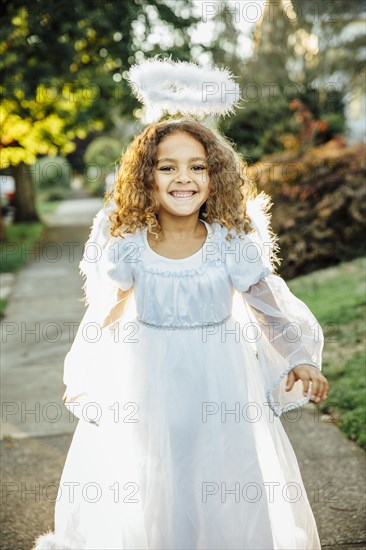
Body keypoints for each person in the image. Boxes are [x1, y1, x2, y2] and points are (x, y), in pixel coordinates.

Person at [33, 61, 329, 550]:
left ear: (216, 177)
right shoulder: (130, 245)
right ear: (145, 178)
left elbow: (267, 308)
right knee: (153, 475)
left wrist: (297, 357)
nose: (183, 178)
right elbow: (103, 315)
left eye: (197, 167)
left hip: (222, 380)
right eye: (167, 167)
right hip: (146, 380)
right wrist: (82, 371)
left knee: (223, 475)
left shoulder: (232, 243)